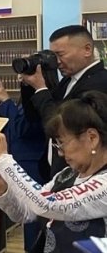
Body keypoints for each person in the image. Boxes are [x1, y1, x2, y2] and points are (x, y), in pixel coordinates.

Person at [0, 92, 107, 253]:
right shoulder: (66, 175)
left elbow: (47, 204)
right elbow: (27, 213)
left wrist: (5, 161)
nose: (60, 152)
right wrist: (2, 187)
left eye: (62, 142)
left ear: (92, 138)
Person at [24, 25, 107, 177]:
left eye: (60, 54)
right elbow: (35, 118)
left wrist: (41, 89)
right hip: (57, 171)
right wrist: (29, 85)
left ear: (87, 50)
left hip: (82, 173)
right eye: (53, 56)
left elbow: (60, 123)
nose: (57, 62)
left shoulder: (100, 82)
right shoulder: (68, 81)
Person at [0, 81, 47, 250]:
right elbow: (6, 125)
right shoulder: (22, 99)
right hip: (14, 162)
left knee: (34, 214)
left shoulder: (41, 99)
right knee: (21, 213)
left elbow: (23, 128)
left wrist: (5, 100)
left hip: (33, 166)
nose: (20, 76)